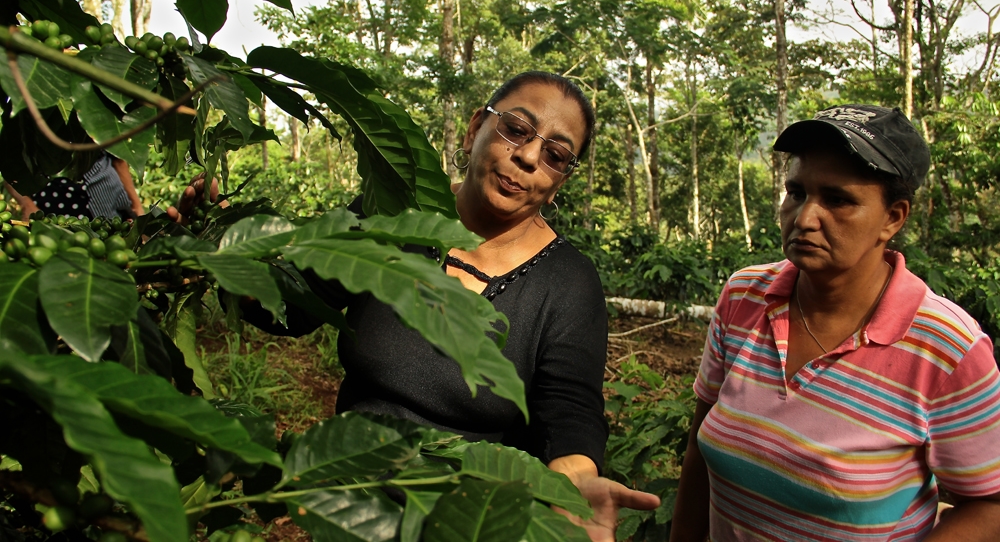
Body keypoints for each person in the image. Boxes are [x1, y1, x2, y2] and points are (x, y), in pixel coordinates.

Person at [170, 71, 660, 541]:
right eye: (516, 130)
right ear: (475, 129)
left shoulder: (569, 283)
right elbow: (291, 304)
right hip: (349, 504)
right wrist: (222, 253)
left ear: (560, 182)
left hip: (472, 520)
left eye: (555, 155)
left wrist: (571, 485)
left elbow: (570, 411)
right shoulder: (390, 217)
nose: (529, 157)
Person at [670, 105, 1000, 541]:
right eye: (796, 192)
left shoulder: (946, 348)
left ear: (893, 217)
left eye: (838, 199)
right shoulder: (744, 297)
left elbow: (989, 505)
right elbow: (699, 449)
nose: (805, 218)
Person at [4, 152, 144, 221]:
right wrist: (27, 204)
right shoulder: (31, 112)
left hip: (105, 201)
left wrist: (136, 205)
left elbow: (119, 158)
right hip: (52, 208)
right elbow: (10, 167)